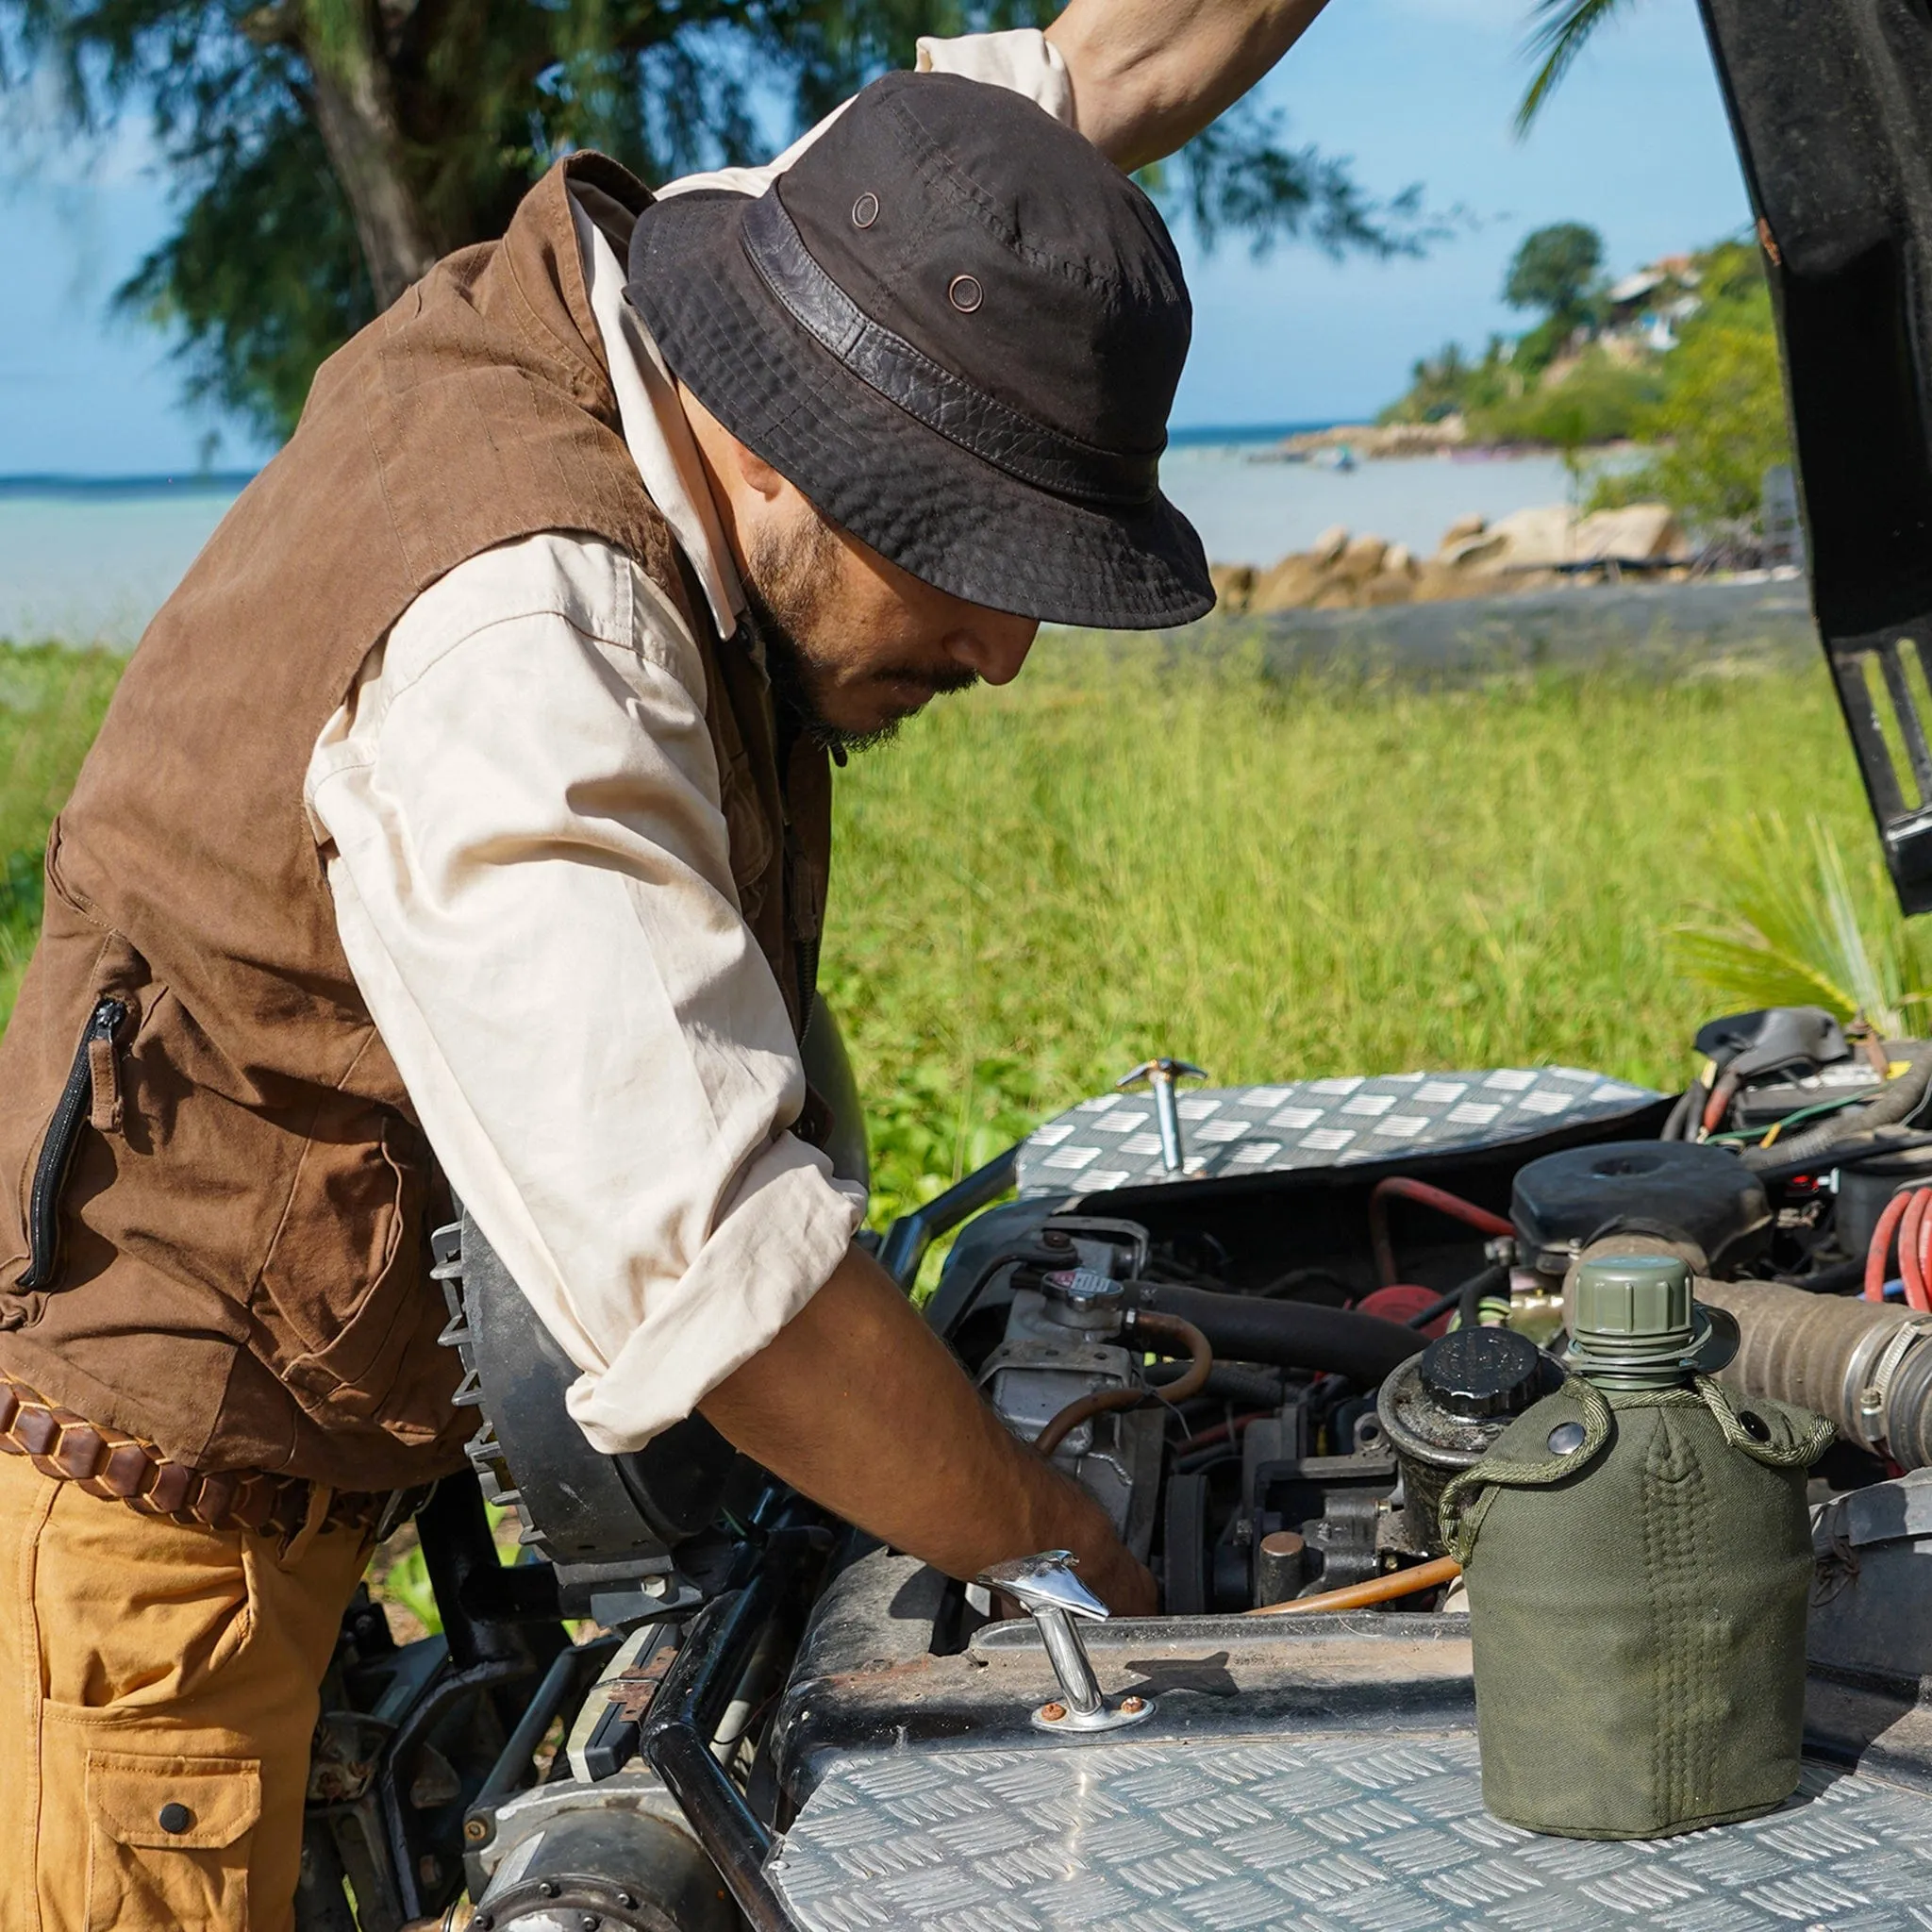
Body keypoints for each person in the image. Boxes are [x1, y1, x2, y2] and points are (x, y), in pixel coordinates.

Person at [0, 3, 1327, 1924]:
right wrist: (1044, 1537)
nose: (1003, 650)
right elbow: (721, 1280)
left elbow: (1075, 95)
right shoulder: (521, 649)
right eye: (972, 552)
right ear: (787, 450)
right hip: (157, 1519)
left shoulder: (792, 258)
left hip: (355, 1405)